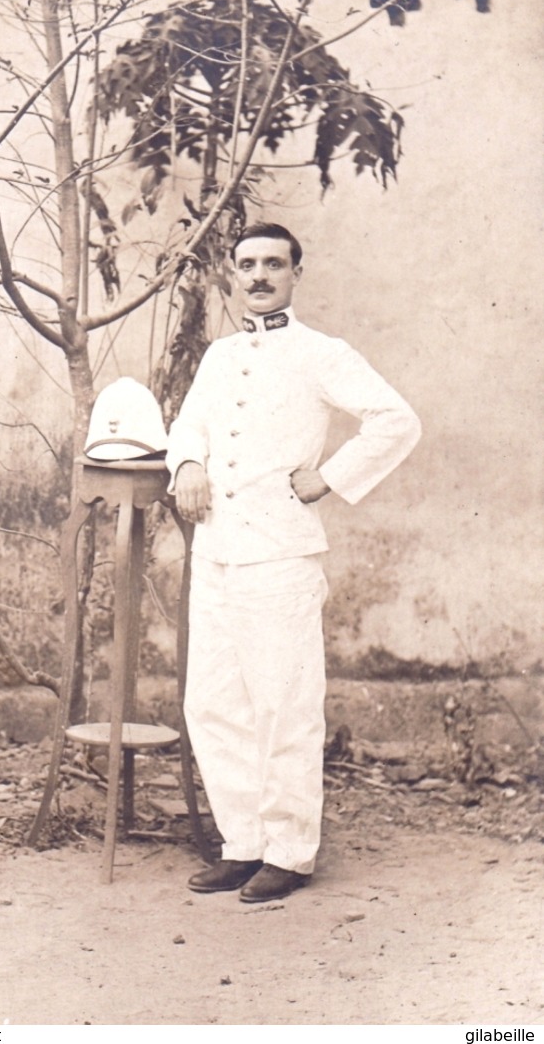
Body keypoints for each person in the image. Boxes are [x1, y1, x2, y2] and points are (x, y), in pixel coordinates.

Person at [165, 222, 421, 903]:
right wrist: (188, 460)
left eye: (273, 264)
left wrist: (329, 477)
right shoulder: (219, 356)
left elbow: (396, 419)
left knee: (283, 702)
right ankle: (242, 843)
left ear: (294, 273)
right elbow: (190, 424)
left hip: (280, 551)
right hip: (218, 546)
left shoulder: (321, 353)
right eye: (247, 264)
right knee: (213, 702)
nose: (258, 276)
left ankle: (289, 851)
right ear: (233, 273)